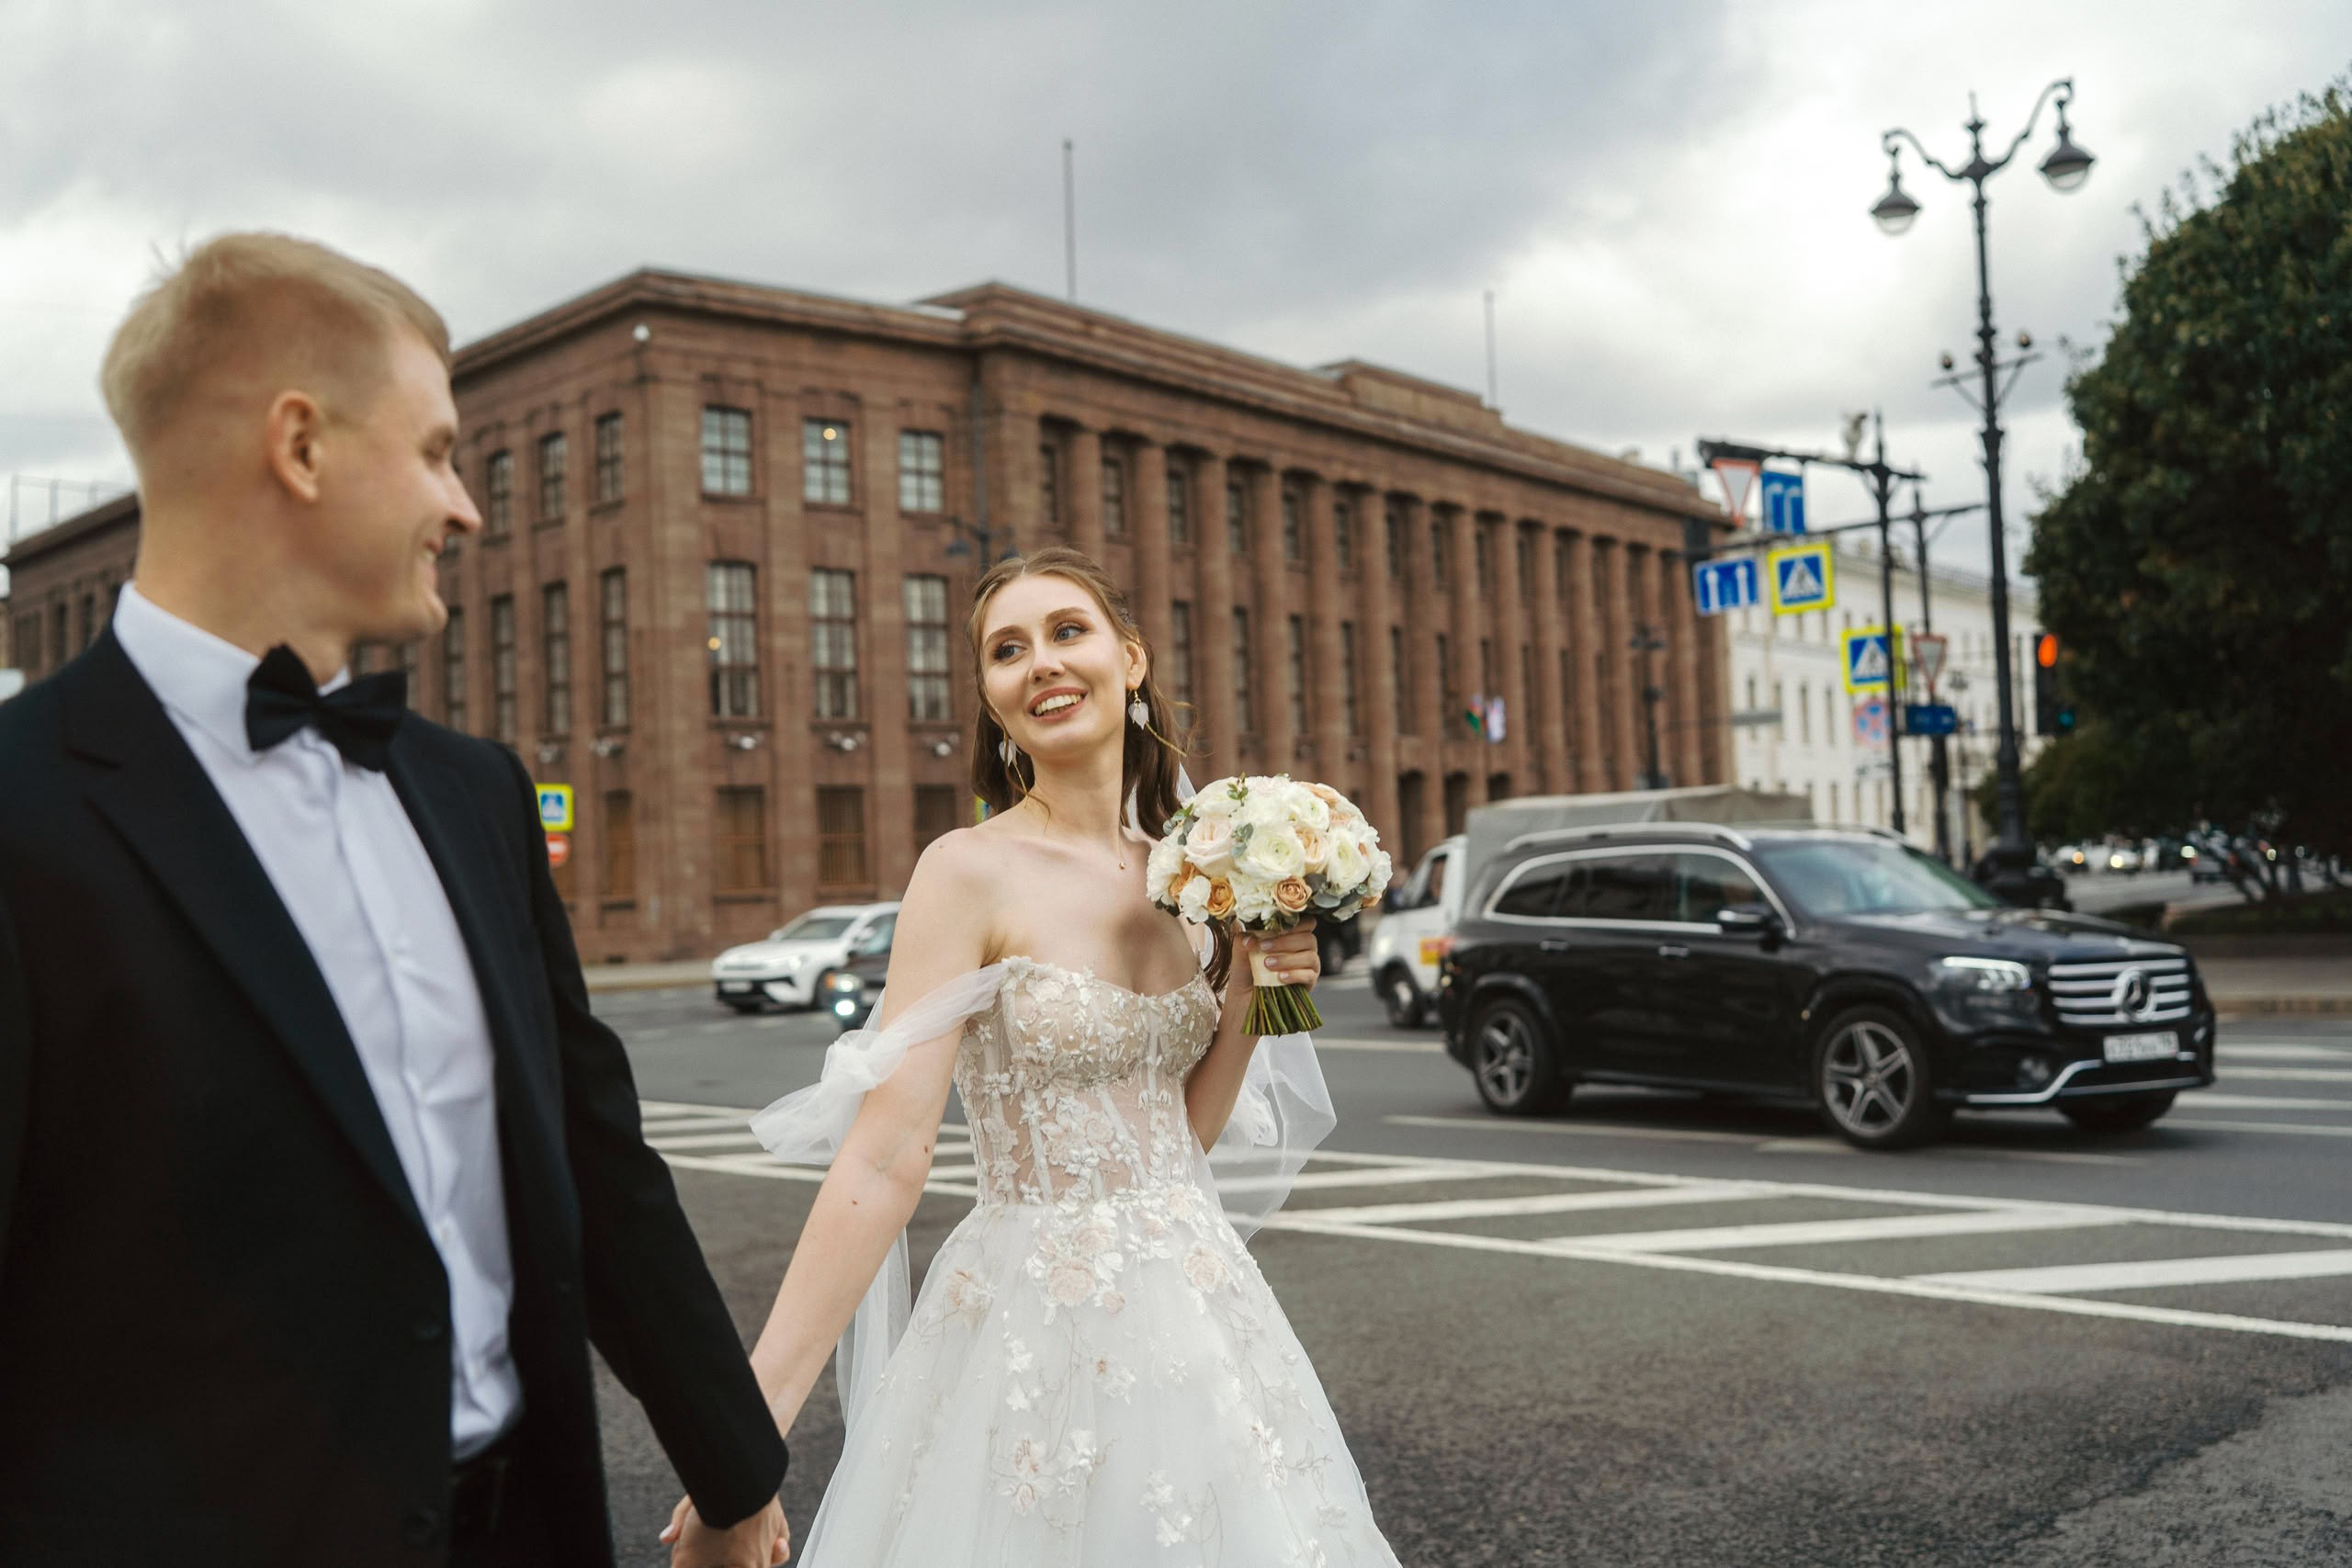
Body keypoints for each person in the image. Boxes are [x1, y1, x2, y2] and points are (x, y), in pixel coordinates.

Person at [0, 233, 788, 1568]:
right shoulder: (22, 809)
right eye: (434, 450)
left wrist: (735, 1475)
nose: (466, 507)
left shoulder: (474, 790)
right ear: (299, 446)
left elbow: (592, 1159)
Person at [662, 547, 1402, 1564]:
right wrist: (739, 1450)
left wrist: (1245, 991)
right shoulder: (967, 872)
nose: (1040, 664)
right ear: (992, 702)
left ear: (1128, 660)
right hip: (1029, 1312)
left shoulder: (1185, 877)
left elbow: (1180, 1138)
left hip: (1198, 1309)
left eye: (1067, 632)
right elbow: (882, 1162)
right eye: (1007, 651)